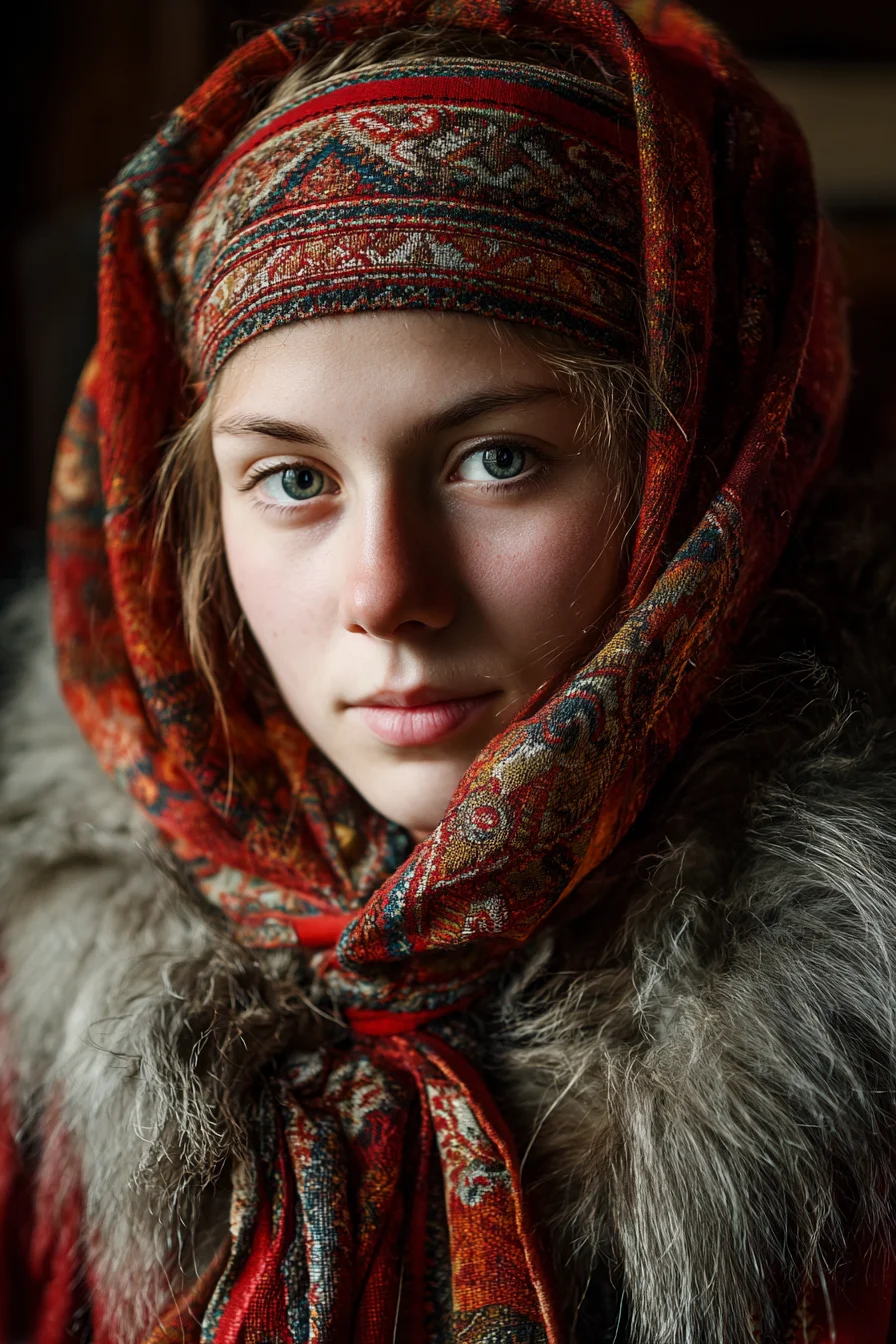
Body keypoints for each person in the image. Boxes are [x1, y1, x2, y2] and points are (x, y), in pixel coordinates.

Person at [1, 0, 894, 1340]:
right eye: (292, 479)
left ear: (706, 477)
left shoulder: (862, 1052)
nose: (384, 596)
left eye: (498, 460)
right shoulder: (35, 1039)